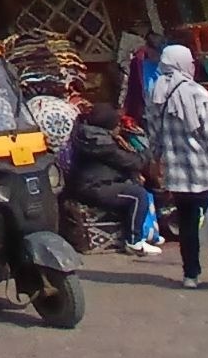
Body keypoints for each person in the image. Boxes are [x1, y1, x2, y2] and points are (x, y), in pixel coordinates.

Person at [148, 42, 208, 291]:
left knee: (186, 225)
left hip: (176, 174)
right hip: (203, 172)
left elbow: (153, 134)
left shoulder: (155, 92)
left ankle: (190, 275)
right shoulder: (197, 93)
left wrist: (157, 161)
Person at [67, 103, 162, 257]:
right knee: (138, 195)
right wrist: (146, 153)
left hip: (88, 184)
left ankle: (147, 233)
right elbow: (131, 162)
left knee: (133, 185)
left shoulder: (87, 134)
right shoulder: (101, 142)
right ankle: (134, 242)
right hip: (94, 187)